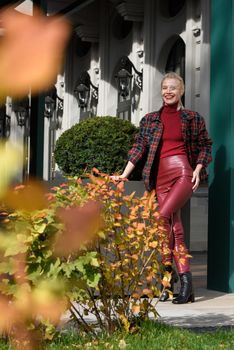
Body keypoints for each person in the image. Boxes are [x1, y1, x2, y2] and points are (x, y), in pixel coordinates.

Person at [112, 72, 212, 304]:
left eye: (173, 88)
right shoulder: (149, 120)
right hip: (160, 179)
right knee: (172, 226)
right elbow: (139, 148)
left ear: (181, 91)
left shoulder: (192, 118)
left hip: (183, 173)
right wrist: (124, 175)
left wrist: (198, 169)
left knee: (162, 217)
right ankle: (179, 284)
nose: (168, 91)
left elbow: (206, 145)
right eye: (165, 87)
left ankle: (171, 277)